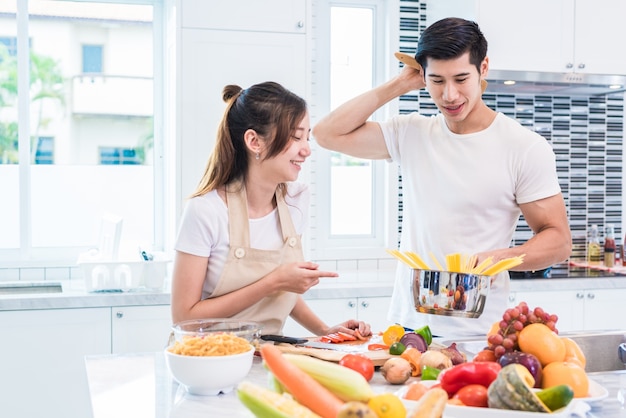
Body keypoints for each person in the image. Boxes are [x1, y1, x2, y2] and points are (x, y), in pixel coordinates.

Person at [313, 18, 572, 337]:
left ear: (484, 68)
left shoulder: (524, 147)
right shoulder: (410, 134)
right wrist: (399, 84)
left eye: (461, 78)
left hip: (479, 334)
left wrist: (500, 258)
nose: (450, 95)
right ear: (422, 76)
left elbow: (559, 241)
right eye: (436, 80)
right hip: (408, 327)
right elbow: (326, 134)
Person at [171, 81, 372, 338]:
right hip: (209, 362)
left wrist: (325, 330)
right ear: (254, 141)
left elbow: (282, 293)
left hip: (265, 358)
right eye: (296, 137)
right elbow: (184, 316)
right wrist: (273, 281)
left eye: (307, 136)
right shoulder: (205, 211)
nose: (307, 149)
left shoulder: (295, 201)